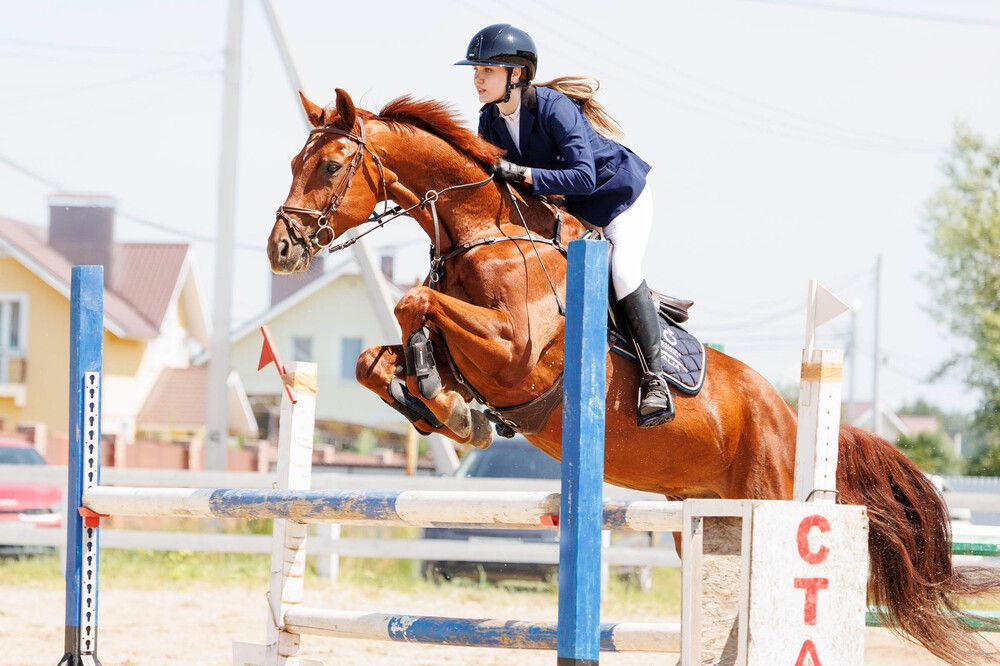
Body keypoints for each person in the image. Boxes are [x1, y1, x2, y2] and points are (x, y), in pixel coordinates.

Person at [455, 23, 673, 427]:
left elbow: (584, 177)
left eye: (487, 70)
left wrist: (522, 173)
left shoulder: (555, 107)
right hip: (569, 210)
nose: (477, 79)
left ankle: (654, 379)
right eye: (476, 71)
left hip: (618, 197)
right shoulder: (490, 120)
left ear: (515, 74)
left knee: (623, 271)